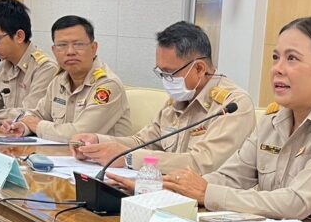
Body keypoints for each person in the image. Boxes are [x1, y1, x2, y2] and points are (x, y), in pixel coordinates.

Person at [161, 16, 311, 222]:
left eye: (292, 58)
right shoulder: (273, 119)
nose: (277, 69)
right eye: (276, 58)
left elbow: (296, 202)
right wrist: (178, 189)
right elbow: (232, 176)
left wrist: (206, 192)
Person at [72, 20, 255, 176]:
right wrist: (97, 142)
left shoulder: (233, 105)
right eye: (161, 72)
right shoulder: (179, 99)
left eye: (169, 73)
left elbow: (201, 164)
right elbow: (142, 142)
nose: (166, 80)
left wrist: (128, 158)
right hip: (165, 190)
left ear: (199, 69)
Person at [1, 15, 130, 140]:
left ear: (93, 48)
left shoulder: (107, 86)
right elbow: (38, 113)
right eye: (62, 45)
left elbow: (79, 135)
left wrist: (36, 125)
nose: (70, 52)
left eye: (78, 44)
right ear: (54, 50)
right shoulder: (59, 80)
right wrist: (22, 126)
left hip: (99, 156)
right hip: (60, 152)